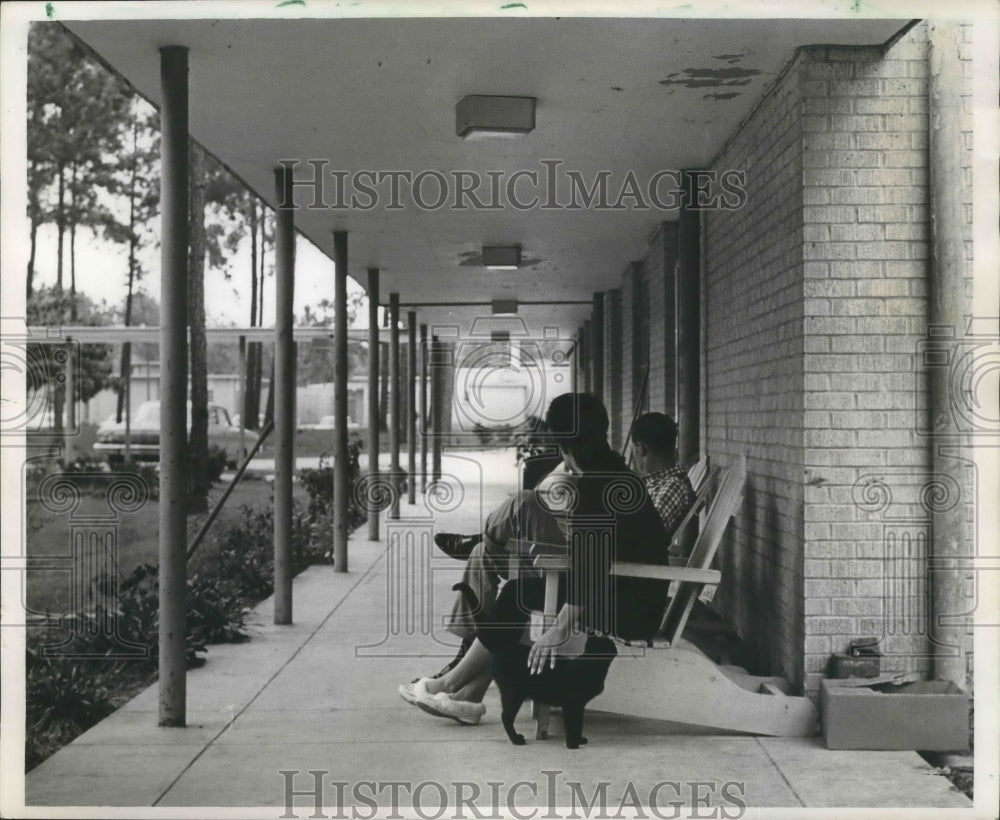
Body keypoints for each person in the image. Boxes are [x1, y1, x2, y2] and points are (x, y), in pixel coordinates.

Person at [399, 394, 675, 724]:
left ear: (563, 445)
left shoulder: (596, 487)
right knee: (521, 591)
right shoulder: (611, 474)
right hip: (630, 593)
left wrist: (558, 629)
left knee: (518, 596)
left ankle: (450, 682)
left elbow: (591, 569)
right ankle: (467, 698)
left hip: (630, 608)